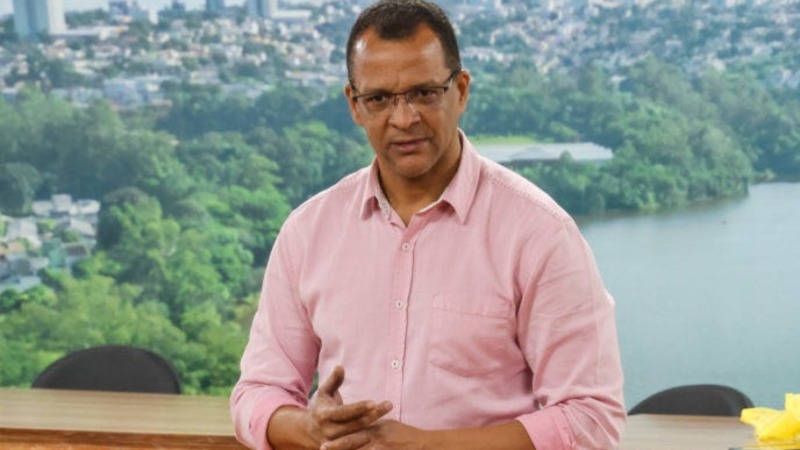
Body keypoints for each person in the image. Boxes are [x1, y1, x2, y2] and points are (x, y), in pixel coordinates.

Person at [230, 1, 626, 449]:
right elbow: (256, 393)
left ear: (461, 91)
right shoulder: (308, 232)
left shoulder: (540, 234)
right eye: (380, 99)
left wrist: (426, 446)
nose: (403, 118)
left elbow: (591, 419)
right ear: (355, 106)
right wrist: (311, 429)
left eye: (423, 93)